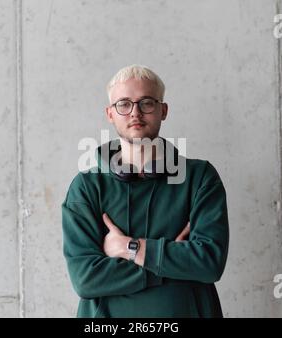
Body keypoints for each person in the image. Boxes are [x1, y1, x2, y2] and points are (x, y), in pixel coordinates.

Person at [62, 64, 229, 318]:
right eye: (124, 104)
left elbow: (209, 264)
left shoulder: (200, 177)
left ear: (163, 110)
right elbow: (85, 279)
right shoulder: (86, 187)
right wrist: (171, 262)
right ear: (110, 114)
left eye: (146, 103)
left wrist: (130, 248)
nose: (135, 113)